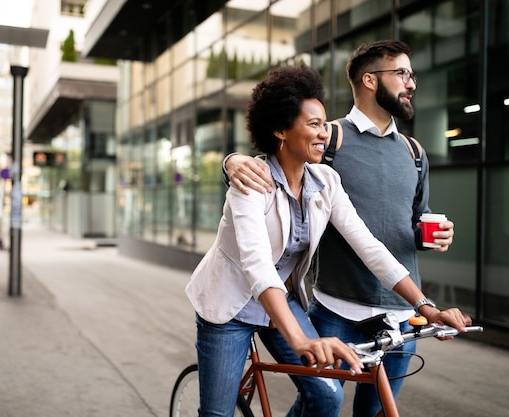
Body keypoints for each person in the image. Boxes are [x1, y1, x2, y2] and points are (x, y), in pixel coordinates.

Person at [186, 64, 469, 417]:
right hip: (228, 306)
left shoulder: (326, 180)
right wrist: (302, 340)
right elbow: (257, 265)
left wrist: (425, 307)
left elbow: (369, 247)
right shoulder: (253, 184)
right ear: (280, 130)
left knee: (326, 394)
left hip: (280, 304)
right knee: (217, 414)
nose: (324, 133)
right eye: (313, 124)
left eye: (324, 123)